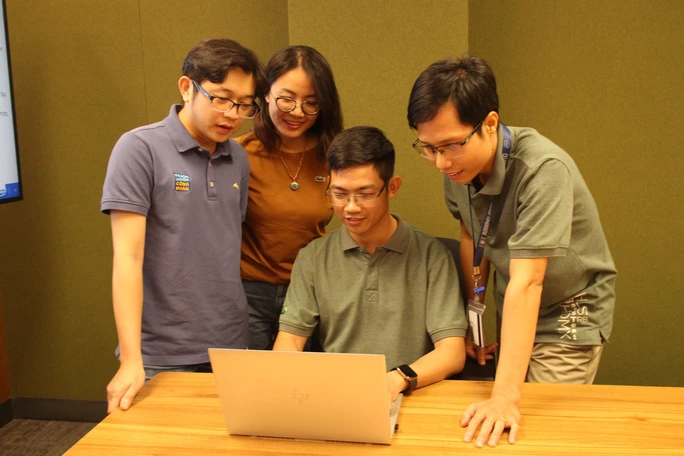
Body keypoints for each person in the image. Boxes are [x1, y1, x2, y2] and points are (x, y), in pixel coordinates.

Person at [407, 57, 617, 447]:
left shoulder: (542, 169)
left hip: (567, 309)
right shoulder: (458, 169)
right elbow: (472, 235)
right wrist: (475, 323)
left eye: (451, 145)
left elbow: (528, 282)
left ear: (490, 123)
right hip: (516, 304)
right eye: (429, 148)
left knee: (530, 433)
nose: (440, 162)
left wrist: (504, 397)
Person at [101, 38, 266, 413]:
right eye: (221, 99)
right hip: (161, 351)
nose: (232, 114)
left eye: (244, 105)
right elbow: (127, 259)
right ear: (187, 87)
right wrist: (131, 358)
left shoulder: (238, 157)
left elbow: (224, 240)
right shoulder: (139, 149)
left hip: (229, 344)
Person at [272, 126, 468, 402]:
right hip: (335, 398)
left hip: (409, 394)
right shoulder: (313, 257)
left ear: (392, 188)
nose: (351, 207)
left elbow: (452, 352)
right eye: (339, 194)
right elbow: (290, 340)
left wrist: (397, 380)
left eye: (365, 194)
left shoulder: (432, 256)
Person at [235, 46, 343, 350]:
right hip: (248, 294)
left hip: (308, 292)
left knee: (303, 379)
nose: (297, 112)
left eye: (311, 103)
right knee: (250, 378)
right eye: (287, 98)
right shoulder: (239, 153)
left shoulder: (333, 155)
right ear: (266, 94)